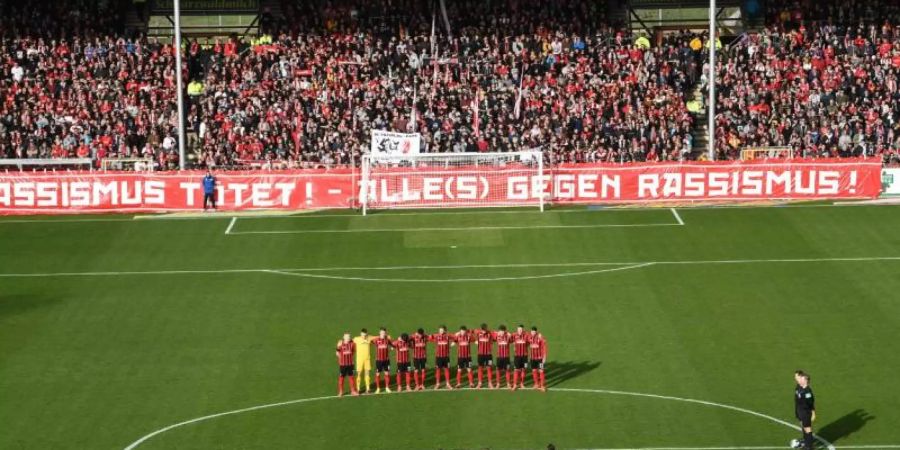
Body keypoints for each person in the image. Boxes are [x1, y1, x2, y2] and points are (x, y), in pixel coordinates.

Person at [793, 370, 816, 449]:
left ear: (805, 380)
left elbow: (811, 404)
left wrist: (813, 413)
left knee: (807, 428)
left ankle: (809, 447)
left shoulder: (808, 392)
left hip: (806, 412)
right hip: (799, 410)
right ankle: (806, 442)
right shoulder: (799, 387)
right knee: (803, 426)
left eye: (801, 379)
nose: (799, 380)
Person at [429, 325, 454, 389]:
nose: (440, 331)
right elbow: (428, 337)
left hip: (446, 357)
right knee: (438, 370)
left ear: (445, 330)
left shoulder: (448, 336)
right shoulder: (436, 336)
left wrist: (451, 345)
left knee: (446, 369)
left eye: (442, 330)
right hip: (438, 357)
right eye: (440, 330)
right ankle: (437, 384)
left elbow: (456, 337)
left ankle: (448, 384)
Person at [335, 332, 358, 397]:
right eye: (347, 337)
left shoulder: (352, 344)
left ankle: (353, 391)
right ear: (344, 337)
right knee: (341, 378)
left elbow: (353, 352)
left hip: (350, 364)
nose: (348, 338)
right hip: (343, 365)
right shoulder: (340, 344)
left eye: (349, 337)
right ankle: (341, 392)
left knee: (351, 378)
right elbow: (337, 353)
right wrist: (341, 359)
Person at [352, 328, 374, 393]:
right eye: (363, 335)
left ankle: (368, 388)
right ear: (360, 334)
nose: (364, 336)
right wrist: (341, 341)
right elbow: (349, 341)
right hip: (359, 359)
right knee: (359, 374)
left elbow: (377, 337)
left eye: (365, 335)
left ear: (367, 334)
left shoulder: (369, 338)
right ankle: (358, 389)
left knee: (367, 373)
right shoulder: (356, 339)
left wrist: (386, 336)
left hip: (367, 359)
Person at [371, 327, 393, 393]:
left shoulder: (387, 340)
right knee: (378, 374)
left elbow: (392, 345)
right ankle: (378, 388)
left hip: (386, 360)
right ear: (380, 333)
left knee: (387, 373)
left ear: (385, 333)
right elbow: (370, 341)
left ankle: (387, 387)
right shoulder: (376, 340)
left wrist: (391, 348)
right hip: (379, 360)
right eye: (382, 332)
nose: (383, 334)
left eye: (384, 332)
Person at [474, 323, 495, 389]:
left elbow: (497, 333)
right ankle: (479, 383)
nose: (484, 331)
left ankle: (490, 383)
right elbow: (470, 331)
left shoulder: (490, 333)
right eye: (483, 329)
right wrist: (475, 341)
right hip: (480, 355)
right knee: (480, 368)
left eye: (485, 329)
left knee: (489, 368)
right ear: (481, 329)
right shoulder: (478, 332)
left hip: (488, 355)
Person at [494, 325, 514, 389]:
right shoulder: (496, 335)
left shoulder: (508, 336)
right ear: (499, 331)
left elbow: (513, 339)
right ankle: (498, 384)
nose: (501, 332)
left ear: (505, 331)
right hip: (499, 357)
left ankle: (508, 383)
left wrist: (510, 334)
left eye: (503, 331)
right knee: (498, 370)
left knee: (507, 370)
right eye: (500, 331)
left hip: (506, 357)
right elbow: (489, 333)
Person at [529, 326, 547, 391]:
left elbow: (544, 347)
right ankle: (536, 384)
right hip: (532, 358)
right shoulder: (529, 337)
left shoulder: (540, 337)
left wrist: (544, 357)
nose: (532, 332)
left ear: (536, 332)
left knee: (541, 371)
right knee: (534, 370)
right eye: (532, 331)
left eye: (534, 331)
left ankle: (542, 386)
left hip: (540, 359)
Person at [512, 324, 530, 390]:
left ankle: (522, 383)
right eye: (519, 329)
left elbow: (529, 342)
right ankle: (515, 384)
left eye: (521, 329)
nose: (520, 331)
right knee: (516, 370)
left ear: (523, 330)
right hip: (517, 356)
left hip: (525, 356)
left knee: (523, 369)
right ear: (517, 329)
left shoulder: (526, 335)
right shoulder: (514, 335)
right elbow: (511, 341)